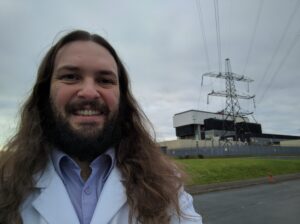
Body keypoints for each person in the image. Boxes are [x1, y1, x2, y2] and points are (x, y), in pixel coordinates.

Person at [0, 30, 202, 224]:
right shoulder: (5, 184)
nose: (89, 92)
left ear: (122, 99)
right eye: (70, 76)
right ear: (45, 92)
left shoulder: (165, 183)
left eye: (105, 80)